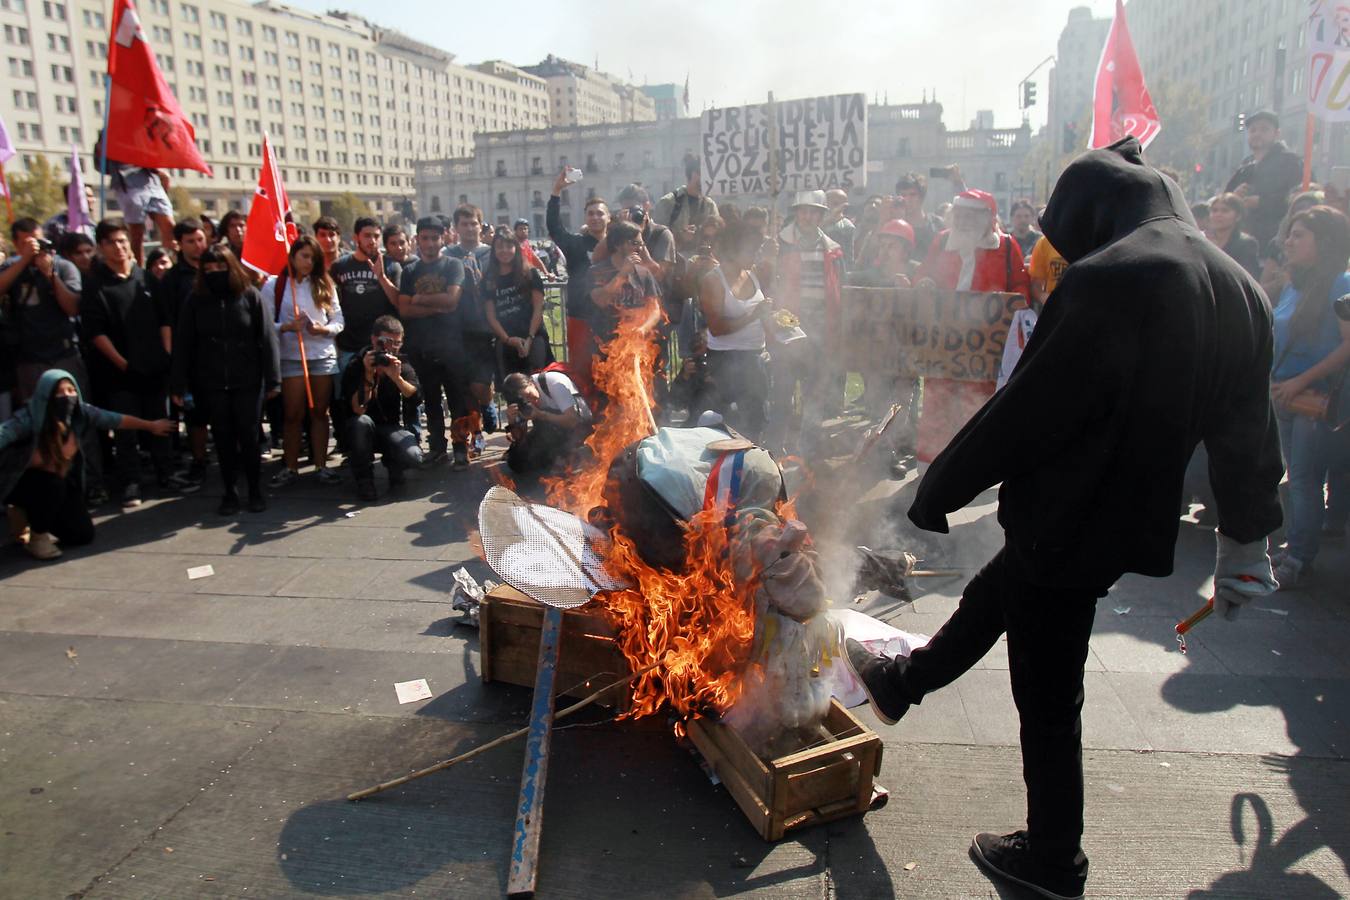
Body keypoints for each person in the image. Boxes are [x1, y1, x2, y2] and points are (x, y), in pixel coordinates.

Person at [845, 137, 1284, 900]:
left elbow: (1030, 408)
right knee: (1001, 588)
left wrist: (937, 489)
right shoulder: (1242, 288)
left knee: (1048, 692)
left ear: (1092, 211)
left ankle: (1052, 858)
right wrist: (1246, 539)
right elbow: (1250, 432)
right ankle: (904, 681)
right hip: (1125, 519)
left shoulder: (1114, 277)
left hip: (1071, 509)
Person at [2, 370, 173, 560]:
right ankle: (37, 535)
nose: (67, 396)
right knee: (51, 483)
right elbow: (5, 433)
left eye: (71, 390)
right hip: (22, 482)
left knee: (81, 535)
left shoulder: (81, 414)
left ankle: (32, 513)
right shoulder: (28, 418)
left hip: (59, 484)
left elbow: (115, 419)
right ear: (47, 395)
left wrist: (150, 426)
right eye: (60, 392)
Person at [1267, 205, 1350, 588]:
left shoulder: (1341, 284)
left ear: (1324, 241)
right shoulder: (1294, 282)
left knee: (1304, 478)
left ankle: (1300, 555)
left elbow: (1347, 345)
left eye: (1300, 235)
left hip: (1314, 399)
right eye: (1290, 233)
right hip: (1283, 393)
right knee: (1295, 475)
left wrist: (1301, 381)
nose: (1290, 241)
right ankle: (1296, 545)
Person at [915, 189, 1031, 460]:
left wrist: (1006, 303)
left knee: (980, 402)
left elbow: (1020, 286)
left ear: (987, 218)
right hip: (945, 338)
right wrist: (922, 282)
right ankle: (931, 461)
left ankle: (976, 461)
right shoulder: (943, 241)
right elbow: (925, 273)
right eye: (961, 213)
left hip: (986, 341)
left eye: (972, 215)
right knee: (938, 397)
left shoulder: (1005, 245)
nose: (965, 220)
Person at [170, 245, 280, 514]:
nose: (214, 273)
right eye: (208, 269)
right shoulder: (195, 300)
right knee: (223, 438)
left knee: (250, 436)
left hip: (248, 381)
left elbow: (267, 339)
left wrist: (273, 379)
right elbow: (184, 343)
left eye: (220, 267)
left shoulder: (250, 296)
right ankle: (229, 492)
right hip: (212, 381)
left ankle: (255, 490)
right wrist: (178, 383)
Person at [81, 219, 181, 508]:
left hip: (155, 368)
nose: (120, 247)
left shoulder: (145, 278)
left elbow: (165, 319)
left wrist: (165, 354)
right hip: (119, 374)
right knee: (126, 429)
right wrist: (123, 364)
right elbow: (96, 333)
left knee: (161, 424)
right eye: (112, 242)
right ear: (101, 247)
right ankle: (131, 482)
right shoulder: (96, 285)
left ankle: (167, 473)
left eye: (123, 241)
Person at [767, 190, 846, 456]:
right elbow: (769, 281)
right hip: (789, 327)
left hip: (820, 328)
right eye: (803, 210)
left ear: (821, 215)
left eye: (813, 211)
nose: (807, 216)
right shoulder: (780, 243)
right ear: (796, 212)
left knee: (814, 391)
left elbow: (839, 287)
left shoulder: (832, 248)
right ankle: (777, 445)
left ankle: (808, 448)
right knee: (784, 389)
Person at [264, 235, 344, 486]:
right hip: (292, 357)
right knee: (292, 414)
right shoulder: (274, 286)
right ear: (293, 257)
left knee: (320, 412)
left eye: (313, 257)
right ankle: (290, 466)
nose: (309, 262)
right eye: (304, 256)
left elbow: (338, 321)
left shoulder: (324, 284)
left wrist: (323, 329)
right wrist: (287, 327)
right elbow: (265, 325)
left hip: (321, 355)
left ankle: (321, 465)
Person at [398, 217, 468, 469]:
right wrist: (435, 307)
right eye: (424, 238)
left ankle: (461, 447)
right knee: (431, 401)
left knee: (456, 399)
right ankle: (437, 447)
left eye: (434, 238)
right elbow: (404, 309)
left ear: (444, 238)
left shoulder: (453, 265)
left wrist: (419, 299)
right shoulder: (409, 271)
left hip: (451, 346)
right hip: (421, 347)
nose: (429, 243)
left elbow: (452, 302)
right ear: (417, 240)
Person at [696, 222, 772, 440]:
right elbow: (717, 328)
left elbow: (759, 315)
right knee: (729, 424)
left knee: (756, 420)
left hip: (755, 358)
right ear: (734, 250)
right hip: (726, 361)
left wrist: (772, 317)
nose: (757, 254)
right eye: (752, 249)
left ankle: (753, 462)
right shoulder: (713, 280)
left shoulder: (754, 275)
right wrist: (753, 315)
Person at [330, 217, 401, 447]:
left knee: (384, 399)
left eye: (376, 236)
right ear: (356, 237)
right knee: (347, 399)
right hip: (349, 346)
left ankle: (389, 446)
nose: (372, 241)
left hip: (381, 346)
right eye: (367, 236)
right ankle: (350, 447)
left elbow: (398, 302)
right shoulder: (340, 267)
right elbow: (332, 306)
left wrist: (382, 277)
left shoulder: (390, 265)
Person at [156, 218, 213, 488]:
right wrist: (173, 363)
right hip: (190, 359)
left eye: (200, 239)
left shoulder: (217, 268)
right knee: (196, 416)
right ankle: (199, 461)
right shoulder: (172, 279)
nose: (197, 246)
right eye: (191, 241)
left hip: (222, 356)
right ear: (179, 244)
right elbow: (166, 322)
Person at [343, 315, 422, 501]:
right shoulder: (357, 364)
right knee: (361, 423)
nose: (389, 348)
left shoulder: (401, 363)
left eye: (396, 343)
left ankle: (395, 466)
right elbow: (358, 408)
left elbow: (416, 396)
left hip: (390, 426)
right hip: (362, 426)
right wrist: (369, 376)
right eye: (385, 342)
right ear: (373, 339)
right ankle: (364, 479)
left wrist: (396, 378)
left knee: (414, 456)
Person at [547, 169, 608, 391]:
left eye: (600, 213)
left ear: (608, 218)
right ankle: (585, 419)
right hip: (580, 318)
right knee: (582, 372)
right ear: (585, 218)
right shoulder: (575, 244)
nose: (595, 217)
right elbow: (555, 228)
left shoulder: (617, 246)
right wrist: (556, 192)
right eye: (590, 213)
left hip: (609, 319)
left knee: (611, 372)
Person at [445, 205, 497, 452]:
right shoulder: (449, 254)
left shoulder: (491, 253)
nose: (469, 228)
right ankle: (476, 435)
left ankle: (488, 403)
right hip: (458, 328)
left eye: (473, 223)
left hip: (485, 328)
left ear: (480, 225)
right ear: (456, 228)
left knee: (482, 386)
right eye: (463, 224)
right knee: (465, 389)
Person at [1225, 110, 1305, 250]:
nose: (1257, 134)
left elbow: (1300, 199)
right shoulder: (1245, 166)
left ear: (1277, 133)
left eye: (1264, 129)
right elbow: (1225, 198)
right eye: (1253, 130)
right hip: (1243, 240)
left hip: (1275, 240)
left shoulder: (1291, 162)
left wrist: (1261, 202)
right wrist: (1234, 197)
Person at [483, 229, 551, 377]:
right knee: (513, 389)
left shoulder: (530, 274)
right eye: (500, 247)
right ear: (494, 250)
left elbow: (538, 308)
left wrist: (530, 338)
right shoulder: (488, 279)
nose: (504, 250)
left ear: (515, 248)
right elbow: (491, 315)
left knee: (539, 384)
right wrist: (507, 339)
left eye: (509, 246)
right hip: (506, 340)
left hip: (534, 337)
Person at [501, 369, 591, 475]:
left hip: (577, 427)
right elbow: (521, 438)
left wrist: (541, 415)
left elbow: (573, 420)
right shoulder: (521, 402)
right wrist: (513, 423)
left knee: (545, 447)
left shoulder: (554, 383)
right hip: (548, 429)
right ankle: (555, 458)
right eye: (525, 400)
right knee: (516, 461)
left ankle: (566, 455)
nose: (531, 401)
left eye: (529, 395)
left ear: (531, 383)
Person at [654, 156, 719, 253]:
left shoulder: (710, 205)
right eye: (703, 174)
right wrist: (679, 236)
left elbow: (718, 236)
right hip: (675, 261)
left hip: (702, 262)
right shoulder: (668, 202)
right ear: (693, 174)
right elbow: (656, 237)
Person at [1205, 193, 1262, 278]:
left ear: (1238, 216)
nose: (1218, 215)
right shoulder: (1202, 240)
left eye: (1225, 211)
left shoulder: (1247, 244)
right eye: (1214, 210)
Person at [895, 172, 948, 259]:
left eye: (912, 195)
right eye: (903, 195)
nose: (908, 200)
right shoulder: (895, 226)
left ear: (921, 197)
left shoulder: (938, 224)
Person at [823, 189, 856, 263]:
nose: (839, 208)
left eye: (843, 205)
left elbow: (848, 259)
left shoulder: (846, 226)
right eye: (835, 204)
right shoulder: (811, 218)